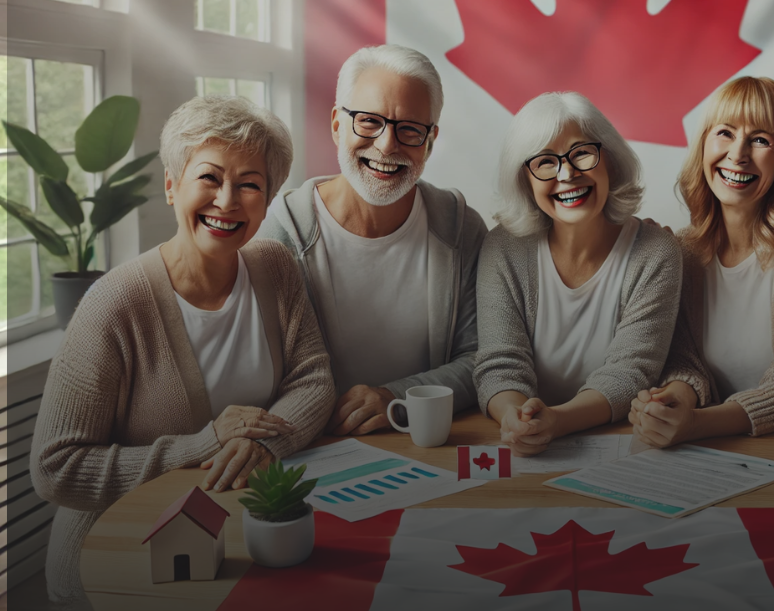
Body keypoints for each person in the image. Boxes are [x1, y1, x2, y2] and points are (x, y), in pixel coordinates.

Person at [32, 95, 335, 608]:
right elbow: (57, 468)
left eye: (250, 184)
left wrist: (265, 445)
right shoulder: (113, 304)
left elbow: (313, 380)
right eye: (210, 178)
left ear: (269, 198)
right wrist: (204, 444)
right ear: (173, 186)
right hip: (117, 561)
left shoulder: (274, 265)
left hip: (236, 549)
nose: (228, 200)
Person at [258, 45, 486, 435]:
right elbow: (260, 375)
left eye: (410, 129)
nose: (386, 145)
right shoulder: (279, 232)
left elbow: (482, 358)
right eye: (368, 121)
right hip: (313, 447)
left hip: (431, 444)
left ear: (430, 141)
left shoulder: (460, 228)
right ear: (336, 124)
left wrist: (395, 397)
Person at [627, 77, 774, 446]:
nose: (738, 154)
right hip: (709, 451)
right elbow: (685, 362)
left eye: (760, 140)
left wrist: (695, 424)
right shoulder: (683, 250)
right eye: (725, 133)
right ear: (704, 145)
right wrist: (670, 404)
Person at [474, 91, 682, 455]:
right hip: (525, 447)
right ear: (526, 180)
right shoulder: (502, 248)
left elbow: (630, 373)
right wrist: (513, 417)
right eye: (545, 162)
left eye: (581, 153)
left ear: (610, 162)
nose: (567, 174)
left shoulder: (657, 253)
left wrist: (556, 421)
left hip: (618, 446)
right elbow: (499, 362)